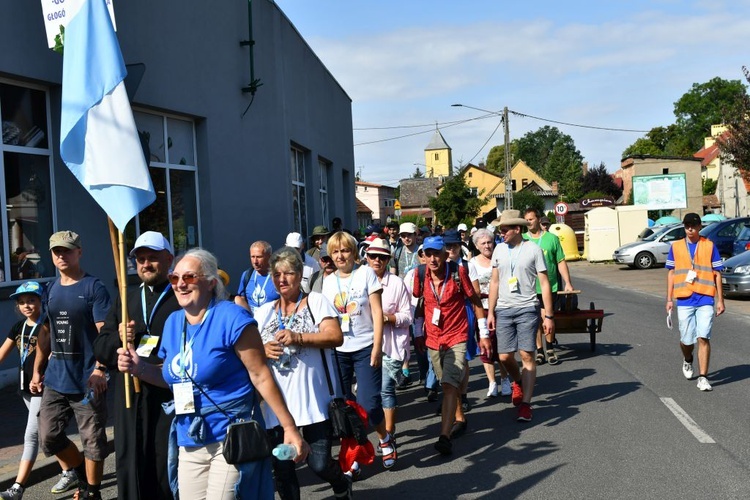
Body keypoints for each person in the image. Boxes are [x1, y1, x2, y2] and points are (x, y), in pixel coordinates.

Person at [116, 248, 309, 499]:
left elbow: (260, 375)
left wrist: (289, 427)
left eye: (190, 277)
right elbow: (171, 375)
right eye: (175, 278)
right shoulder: (174, 322)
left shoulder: (232, 317)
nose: (181, 284)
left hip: (230, 434)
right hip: (189, 436)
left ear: (210, 282)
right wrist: (138, 367)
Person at [255, 247, 351, 499]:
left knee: (318, 464)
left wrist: (298, 337)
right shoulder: (264, 313)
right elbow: (251, 353)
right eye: (276, 274)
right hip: (277, 411)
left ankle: (341, 483)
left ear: (299, 275)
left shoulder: (315, 302)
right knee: (283, 468)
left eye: (288, 273)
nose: (282, 279)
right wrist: (263, 349)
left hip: (314, 406)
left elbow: (335, 337)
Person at [92, 231, 180, 500]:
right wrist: (118, 338)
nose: (145, 264)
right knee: (130, 458)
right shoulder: (125, 297)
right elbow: (102, 347)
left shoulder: (181, 296)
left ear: (169, 259)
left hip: (169, 392)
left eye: (152, 258)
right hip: (130, 394)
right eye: (140, 259)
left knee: (165, 460)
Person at [30, 230, 112, 500]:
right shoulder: (50, 289)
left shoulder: (93, 287)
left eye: (67, 250)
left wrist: (100, 369)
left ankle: (93, 492)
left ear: (79, 252)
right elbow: (46, 333)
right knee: (49, 437)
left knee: (93, 441)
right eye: (56, 251)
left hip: (88, 379)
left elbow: (105, 333)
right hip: (56, 378)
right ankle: (79, 473)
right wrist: (37, 371)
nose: (61, 255)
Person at [321, 231, 396, 471]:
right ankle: (354, 454)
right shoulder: (329, 280)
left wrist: (377, 347)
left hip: (365, 347)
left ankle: (385, 437)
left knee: (369, 403)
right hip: (338, 350)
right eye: (335, 251)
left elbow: (376, 313)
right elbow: (326, 318)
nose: (340, 256)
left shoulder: (365, 274)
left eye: (344, 250)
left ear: (353, 252)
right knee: (344, 406)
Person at [412, 236, 488, 456]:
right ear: (423, 256)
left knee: (447, 385)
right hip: (433, 339)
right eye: (429, 254)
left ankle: (444, 436)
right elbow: (419, 304)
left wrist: (482, 334)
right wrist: (418, 332)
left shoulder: (457, 272)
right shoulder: (419, 275)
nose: (433, 259)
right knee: (447, 384)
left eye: (437, 253)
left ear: (445, 254)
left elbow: (475, 302)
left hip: (457, 336)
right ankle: (459, 417)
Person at [487, 210, 555, 423]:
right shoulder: (498, 249)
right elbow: (495, 282)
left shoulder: (534, 250)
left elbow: (544, 283)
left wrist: (549, 316)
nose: (501, 232)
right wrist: (490, 312)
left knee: (527, 355)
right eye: (500, 229)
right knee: (505, 356)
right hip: (504, 310)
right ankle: (517, 381)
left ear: (517, 229)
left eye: (504, 229)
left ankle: (525, 404)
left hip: (527, 308)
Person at [0, 282, 58, 500]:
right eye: (22, 302)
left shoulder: (47, 325)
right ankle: (70, 469)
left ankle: (17, 488)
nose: (27, 305)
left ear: (41, 301)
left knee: (31, 435)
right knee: (46, 435)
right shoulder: (18, 328)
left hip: (42, 387)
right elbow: (2, 352)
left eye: (32, 300)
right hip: (24, 388)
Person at [665, 212, 725, 391]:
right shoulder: (676, 247)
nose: (690, 228)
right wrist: (669, 299)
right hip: (684, 298)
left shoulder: (709, 246)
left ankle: (703, 377)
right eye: (687, 225)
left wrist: (720, 300)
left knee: (703, 337)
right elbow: (671, 273)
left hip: (706, 297)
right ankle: (688, 359)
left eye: (693, 225)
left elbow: (717, 273)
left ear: (700, 227)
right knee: (686, 340)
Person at [364, 238, 412, 448]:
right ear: (366, 258)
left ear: (387, 260)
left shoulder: (396, 283)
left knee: (386, 390)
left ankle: (389, 433)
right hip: (365, 345)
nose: (377, 260)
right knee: (369, 395)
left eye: (382, 257)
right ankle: (379, 430)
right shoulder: (360, 280)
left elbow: (408, 317)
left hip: (390, 345)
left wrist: (388, 318)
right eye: (373, 256)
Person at [523, 208, 574, 365]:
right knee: (536, 320)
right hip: (530, 288)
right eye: (526, 220)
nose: (529, 223)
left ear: (538, 219)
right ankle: (539, 351)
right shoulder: (523, 239)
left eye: (531, 219)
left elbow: (560, 261)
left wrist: (568, 283)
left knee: (547, 317)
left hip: (549, 286)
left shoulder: (552, 239)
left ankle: (550, 348)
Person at [468, 228, 511, 398]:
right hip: (482, 310)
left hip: (501, 307)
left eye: (489, 242)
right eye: (483, 243)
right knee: (486, 347)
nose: (487, 246)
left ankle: (505, 379)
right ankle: (492, 382)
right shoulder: (472, 264)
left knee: (502, 345)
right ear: (477, 246)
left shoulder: (500, 259)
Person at [235, 241, 280, 314]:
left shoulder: (278, 276)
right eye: (252, 257)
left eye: (259, 257)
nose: (255, 261)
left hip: (271, 321)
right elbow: (242, 298)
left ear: (269, 256)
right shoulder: (247, 275)